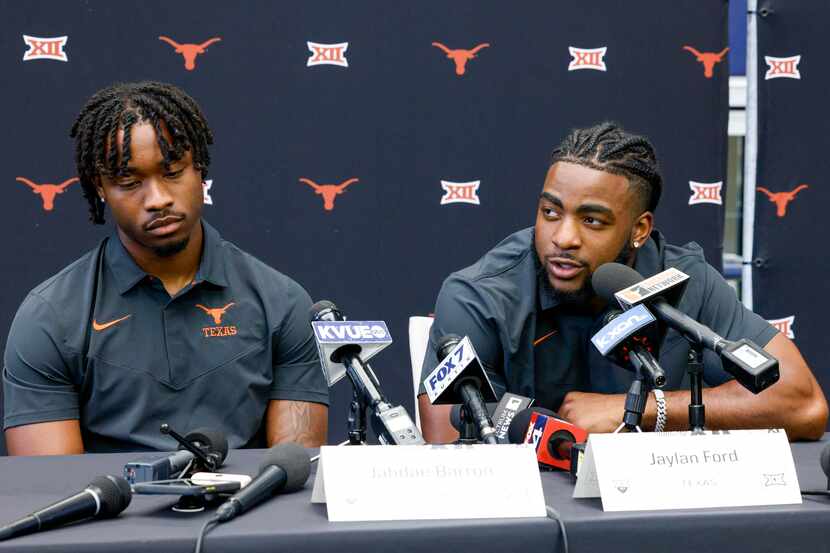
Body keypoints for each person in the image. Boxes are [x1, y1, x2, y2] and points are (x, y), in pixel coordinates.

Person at [418, 122, 828, 442]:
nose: (563, 238)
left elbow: (803, 403)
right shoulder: (478, 295)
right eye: (550, 212)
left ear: (639, 229)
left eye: (592, 220)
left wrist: (642, 409)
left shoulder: (683, 281)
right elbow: (447, 437)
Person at [3, 81, 328, 454]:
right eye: (129, 181)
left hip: (248, 510)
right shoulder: (50, 318)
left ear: (199, 170)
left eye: (172, 172)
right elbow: (53, 490)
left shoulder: (282, 303)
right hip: (111, 512)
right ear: (100, 188)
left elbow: (291, 473)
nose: (157, 199)